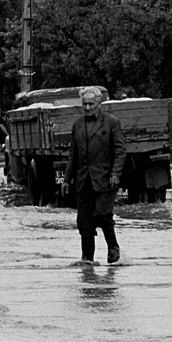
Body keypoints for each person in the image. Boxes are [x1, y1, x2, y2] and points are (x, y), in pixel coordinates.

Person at [61, 86, 126, 265]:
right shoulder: (77, 124)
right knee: (84, 223)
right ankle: (87, 260)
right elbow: (73, 154)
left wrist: (115, 174)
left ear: (99, 103)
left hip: (106, 179)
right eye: (84, 105)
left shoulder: (111, 122)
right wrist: (67, 179)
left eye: (91, 104)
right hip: (84, 180)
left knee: (102, 214)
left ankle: (113, 247)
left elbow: (120, 151)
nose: (88, 108)